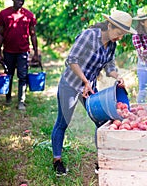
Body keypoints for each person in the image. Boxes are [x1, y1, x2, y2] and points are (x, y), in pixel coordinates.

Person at [51, 10, 137, 176]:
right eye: (119, 33)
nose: (120, 37)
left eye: (123, 35)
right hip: (70, 84)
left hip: (89, 87)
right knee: (63, 122)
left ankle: (102, 161)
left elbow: (109, 67)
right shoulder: (89, 36)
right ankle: (57, 161)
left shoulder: (112, 44)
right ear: (110, 25)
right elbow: (72, 60)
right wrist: (84, 80)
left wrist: (117, 76)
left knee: (102, 121)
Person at [0, 0, 39, 110]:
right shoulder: (4, 14)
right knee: (8, 75)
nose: (21, 2)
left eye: (22, 0)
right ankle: (8, 96)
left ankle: (21, 101)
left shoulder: (28, 15)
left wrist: (36, 52)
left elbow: (33, 34)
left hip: (23, 52)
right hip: (8, 51)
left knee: (23, 75)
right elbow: (0, 34)